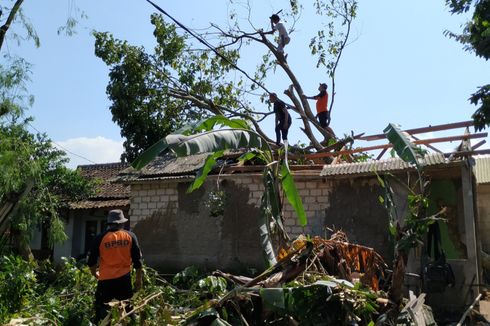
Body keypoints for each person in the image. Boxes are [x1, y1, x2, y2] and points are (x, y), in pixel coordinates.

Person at [87, 209, 143, 323]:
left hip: (105, 280)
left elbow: (91, 261)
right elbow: (138, 260)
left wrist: (94, 273)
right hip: (124, 279)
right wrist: (138, 278)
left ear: (109, 223)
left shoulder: (100, 238)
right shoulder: (130, 236)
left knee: (102, 310)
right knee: (127, 308)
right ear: (122, 223)